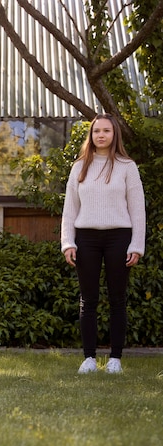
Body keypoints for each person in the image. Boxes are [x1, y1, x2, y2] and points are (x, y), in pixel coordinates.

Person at [61, 113, 146, 374]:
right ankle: (88, 358)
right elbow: (69, 209)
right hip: (86, 238)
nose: (101, 135)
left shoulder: (127, 166)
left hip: (119, 237)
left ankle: (115, 360)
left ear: (114, 135)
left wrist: (136, 245)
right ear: (91, 135)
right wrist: (67, 242)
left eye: (106, 131)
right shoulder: (79, 167)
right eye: (96, 131)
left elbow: (138, 209)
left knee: (117, 299)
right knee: (88, 299)